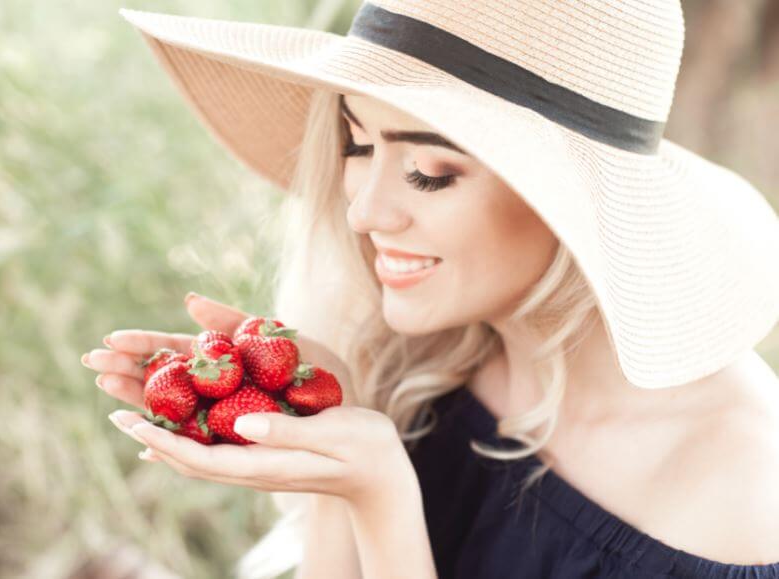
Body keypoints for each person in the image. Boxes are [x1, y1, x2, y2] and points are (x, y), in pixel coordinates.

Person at [82, 1, 779, 577]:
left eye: (430, 170)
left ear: (574, 200)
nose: (363, 212)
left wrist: (380, 494)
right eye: (358, 145)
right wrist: (328, 431)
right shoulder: (429, 361)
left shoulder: (740, 492)